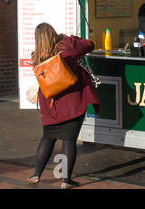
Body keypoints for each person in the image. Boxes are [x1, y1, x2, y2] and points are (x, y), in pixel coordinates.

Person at [28, 22, 101, 189]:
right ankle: (65, 181)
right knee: (69, 142)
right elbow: (90, 45)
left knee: (48, 137)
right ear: (53, 32)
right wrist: (70, 38)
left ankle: (36, 175)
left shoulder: (37, 55)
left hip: (51, 105)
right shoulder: (66, 45)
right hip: (71, 102)